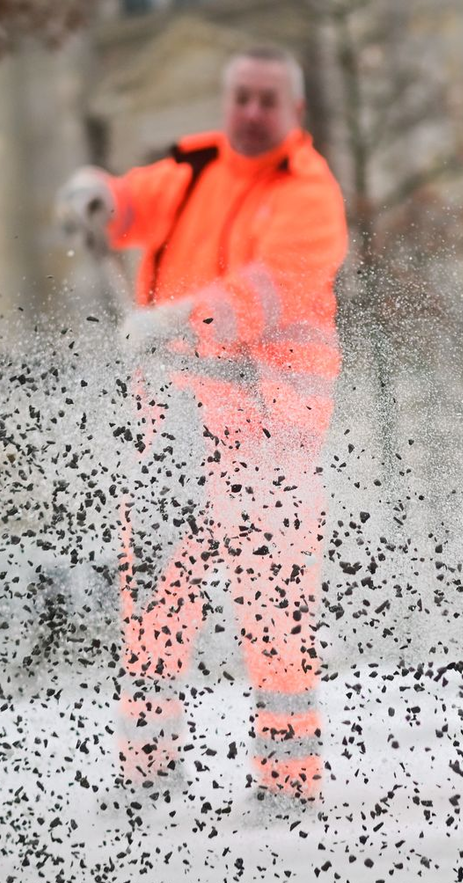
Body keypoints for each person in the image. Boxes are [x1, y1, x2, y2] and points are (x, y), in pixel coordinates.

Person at [55, 46, 349, 807]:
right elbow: (132, 202)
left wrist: (181, 316)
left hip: (270, 441)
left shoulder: (308, 195)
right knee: (151, 601)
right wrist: (97, 198)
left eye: (267, 100)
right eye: (241, 97)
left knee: (275, 612)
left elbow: (269, 289)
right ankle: (146, 773)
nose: (251, 112)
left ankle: (289, 783)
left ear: (295, 112)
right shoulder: (193, 171)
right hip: (180, 430)